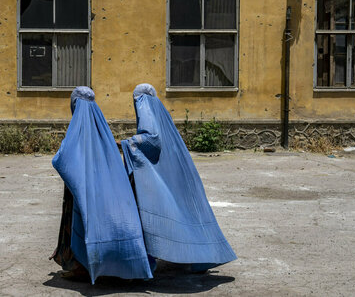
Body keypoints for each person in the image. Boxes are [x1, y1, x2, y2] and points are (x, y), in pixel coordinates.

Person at [120, 84, 237, 271]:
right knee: (180, 211)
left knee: (155, 212)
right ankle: (198, 255)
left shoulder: (143, 103)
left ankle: (157, 258)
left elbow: (152, 139)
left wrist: (127, 143)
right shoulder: (161, 113)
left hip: (155, 176)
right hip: (173, 173)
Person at [51, 86, 153, 284]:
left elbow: (61, 159)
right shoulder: (100, 125)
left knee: (80, 223)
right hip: (104, 190)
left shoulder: (78, 126)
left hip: (81, 189)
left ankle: (81, 267)